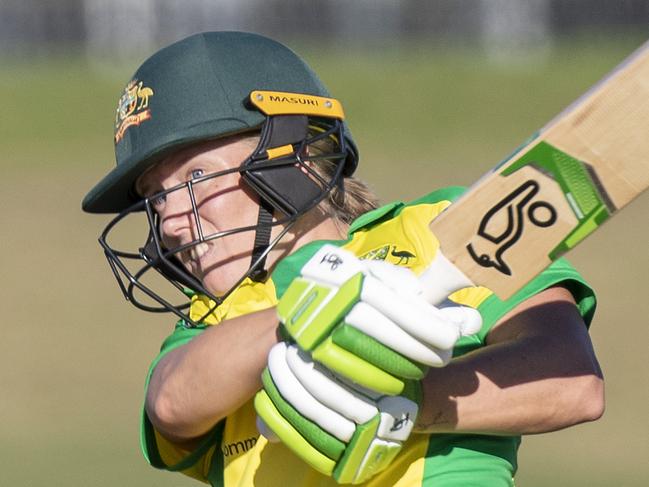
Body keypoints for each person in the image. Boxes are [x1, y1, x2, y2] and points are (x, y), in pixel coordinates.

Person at [82, 31, 604, 486]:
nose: (170, 221)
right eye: (156, 196)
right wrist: (309, 316)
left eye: (195, 179)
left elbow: (573, 383)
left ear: (294, 153)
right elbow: (172, 403)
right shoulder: (211, 322)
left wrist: (407, 408)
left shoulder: (434, 228)